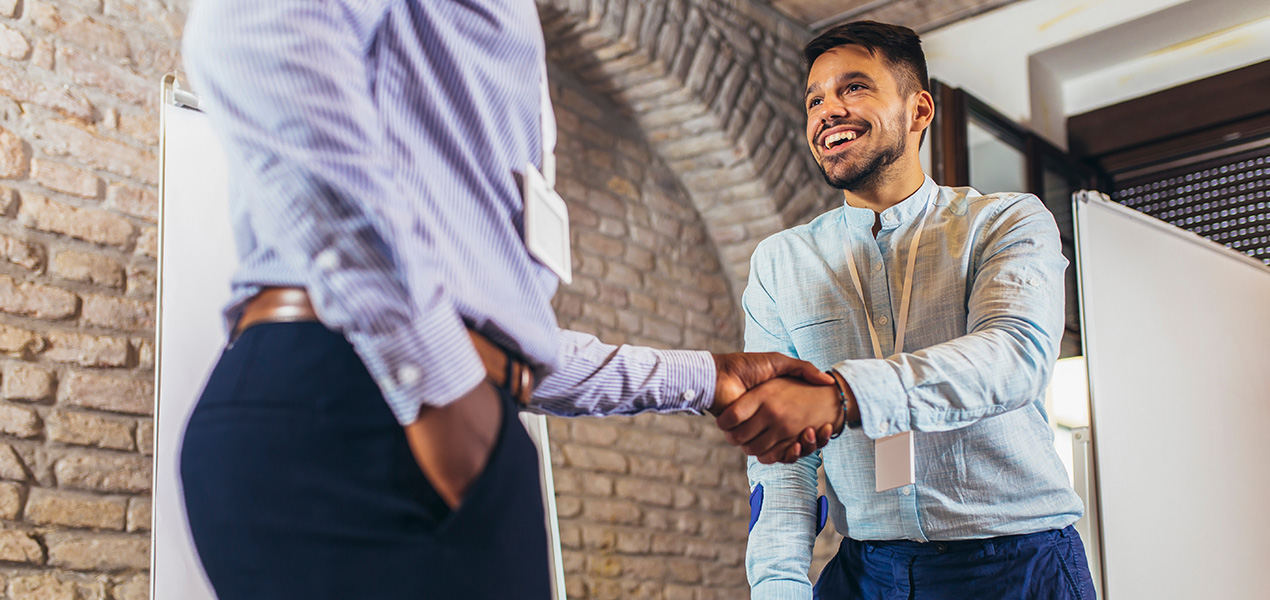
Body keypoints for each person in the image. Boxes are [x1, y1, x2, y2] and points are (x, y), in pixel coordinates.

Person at [176, 1, 836, 599]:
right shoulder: (429, 377)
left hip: (376, 400)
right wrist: (439, 383)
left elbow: (497, 333)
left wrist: (706, 378)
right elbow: (253, 37)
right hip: (375, 410)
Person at [716, 21, 1098, 599]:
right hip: (866, 571)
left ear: (919, 109)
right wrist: (778, 585)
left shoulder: (1006, 222)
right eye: (814, 99)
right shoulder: (781, 261)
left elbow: (1014, 358)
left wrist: (844, 394)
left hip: (1018, 563)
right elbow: (783, 459)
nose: (827, 111)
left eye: (854, 89)